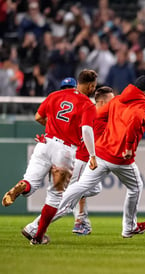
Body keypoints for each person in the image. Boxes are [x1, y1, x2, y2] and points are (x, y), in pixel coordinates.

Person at [22, 75, 145, 244]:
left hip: (101, 153)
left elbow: (97, 116)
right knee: (136, 188)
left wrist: (93, 134)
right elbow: (135, 120)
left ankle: (34, 227)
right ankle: (128, 227)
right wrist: (128, 145)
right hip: (121, 157)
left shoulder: (117, 101)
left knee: (78, 189)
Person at [2, 70, 99, 245]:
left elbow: (38, 116)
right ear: (91, 86)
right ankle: (38, 237)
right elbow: (86, 130)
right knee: (54, 197)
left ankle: (22, 187)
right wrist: (92, 155)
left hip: (45, 143)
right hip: (66, 150)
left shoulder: (54, 95)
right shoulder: (87, 104)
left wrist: (55, 126)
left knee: (30, 182)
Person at [71, 86, 115, 235]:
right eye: (111, 100)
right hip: (83, 159)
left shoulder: (87, 112)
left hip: (84, 158)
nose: (114, 103)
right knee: (68, 195)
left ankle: (81, 222)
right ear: (102, 102)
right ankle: (37, 226)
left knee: (92, 189)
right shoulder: (96, 116)